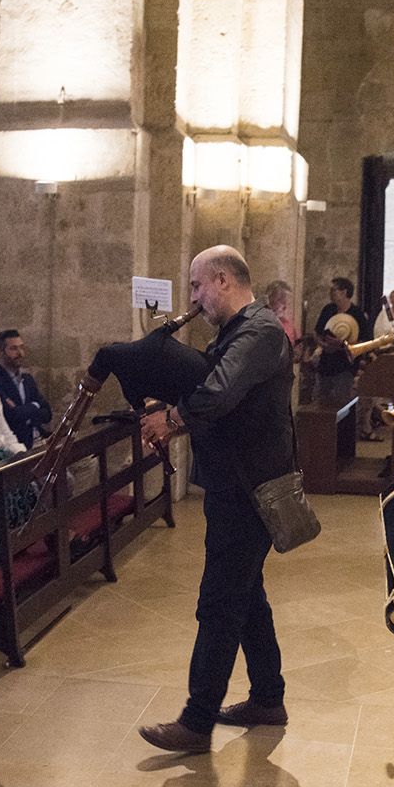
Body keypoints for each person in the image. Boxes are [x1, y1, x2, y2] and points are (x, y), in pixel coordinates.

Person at [136, 245, 295, 753]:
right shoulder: (237, 331)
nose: (194, 297)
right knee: (248, 595)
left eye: (198, 285)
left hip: (249, 490)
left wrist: (172, 420)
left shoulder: (260, 331)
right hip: (235, 484)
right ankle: (268, 698)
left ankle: (196, 720)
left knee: (220, 602)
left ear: (224, 280)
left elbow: (220, 391)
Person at [0, 329, 52, 448]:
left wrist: (25, 412)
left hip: (40, 438)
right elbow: (11, 416)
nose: (21, 353)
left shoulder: (27, 379)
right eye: (14, 349)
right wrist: (35, 405)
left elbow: (47, 413)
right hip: (18, 445)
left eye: (21, 347)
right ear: (0, 352)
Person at [313, 277, 369, 409]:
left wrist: (343, 344)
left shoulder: (357, 314)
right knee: (321, 402)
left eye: (334, 290)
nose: (330, 293)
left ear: (344, 292)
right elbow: (317, 332)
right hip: (326, 363)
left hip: (345, 366)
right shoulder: (328, 309)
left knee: (342, 403)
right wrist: (323, 344)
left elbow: (363, 341)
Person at [262, 280, 301, 348]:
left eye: (286, 301)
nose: (284, 305)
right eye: (280, 300)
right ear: (268, 299)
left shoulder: (289, 326)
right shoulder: (257, 323)